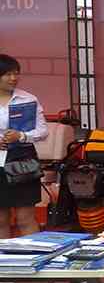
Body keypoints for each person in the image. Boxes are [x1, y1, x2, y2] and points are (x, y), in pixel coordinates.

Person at [0, 54, 48, 238]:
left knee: (25, 218)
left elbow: (42, 131)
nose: (14, 78)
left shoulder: (28, 99)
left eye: (16, 73)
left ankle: (31, 254)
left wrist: (21, 136)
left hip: (23, 162)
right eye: (8, 74)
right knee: (1, 219)